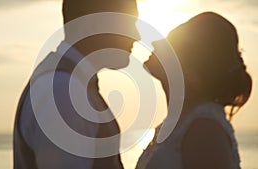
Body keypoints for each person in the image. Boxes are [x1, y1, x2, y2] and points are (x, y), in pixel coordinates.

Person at [13, 0, 140, 168]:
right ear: (91, 26)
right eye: (128, 23)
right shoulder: (62, 91)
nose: (137, 36)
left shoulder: (68, 84)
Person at [136, 12, 252, 169]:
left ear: (188, 64)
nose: (156, 42)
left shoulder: (205, 131)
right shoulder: (179, 123)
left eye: (171, 41)